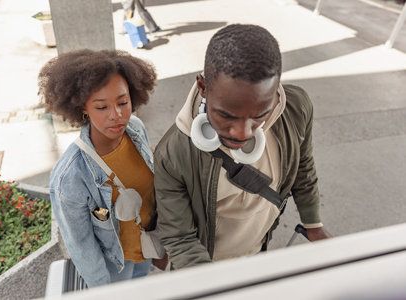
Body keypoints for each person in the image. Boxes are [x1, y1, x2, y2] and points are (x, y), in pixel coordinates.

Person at [154, 24, 332, 269]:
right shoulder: (172, 154)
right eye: (226, 115)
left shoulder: (297, 108)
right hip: (202, 267)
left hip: (258, 250)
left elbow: (303, 166)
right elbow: (179, 237)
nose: (243, 133)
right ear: (203, 87)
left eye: (260, 115)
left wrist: (314, 225)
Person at [38, 49, 164, 288]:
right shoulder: (71, 177)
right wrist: (103, 290)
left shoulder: (135, 128)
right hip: (114, 265)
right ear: (83, 108)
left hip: (146, 246)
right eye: (101, 107)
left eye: (123, 102)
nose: (116, 115)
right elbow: (81, 245)